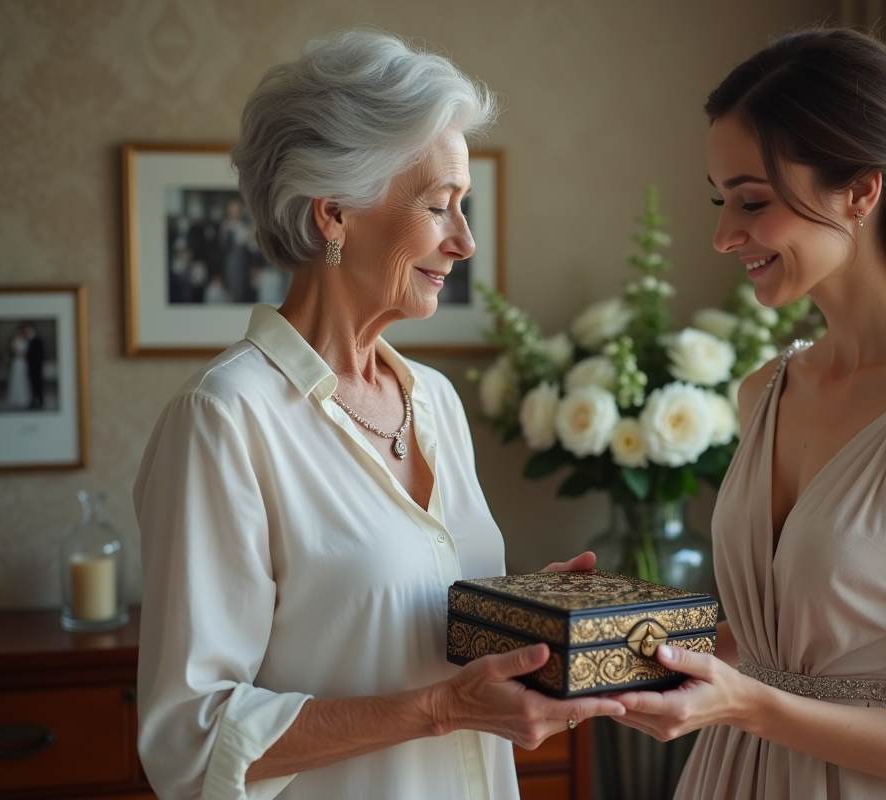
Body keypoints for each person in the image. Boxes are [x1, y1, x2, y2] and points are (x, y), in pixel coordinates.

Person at [134, 29, 624, 800]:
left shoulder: (435, 400)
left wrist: (523, 620)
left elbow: (404, 630)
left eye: (464, 206)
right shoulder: (226, 419)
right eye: (439, 206)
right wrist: (439, 708)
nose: (464, 242)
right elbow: (190, 742)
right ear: (333, 214)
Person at [610, 27, 886, 799]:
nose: (722, 235)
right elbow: (771, 642)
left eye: (753, 201)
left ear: (860, 190)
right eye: (722, 201)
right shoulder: (764, 389)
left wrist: (752, 705)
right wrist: (594, 637)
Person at [4, 328, 31, 410]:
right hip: (16, 361)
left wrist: (22, 354)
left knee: (23, 379)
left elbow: (26, 351)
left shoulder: (25, 341)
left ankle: (24, 399)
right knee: (16, 379)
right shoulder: (14, 341)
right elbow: (12, 350)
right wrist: (17, 353)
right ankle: (15, 399)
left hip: (22, 362)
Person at [23, 323, 45, 409]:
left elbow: (41, 354)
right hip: (30, 366)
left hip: (37, 366)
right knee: (31, 384)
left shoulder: (38, 340)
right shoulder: (27, 340)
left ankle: (40, 401)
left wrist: (38, 364)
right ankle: (33, 401)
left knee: (38, 384)